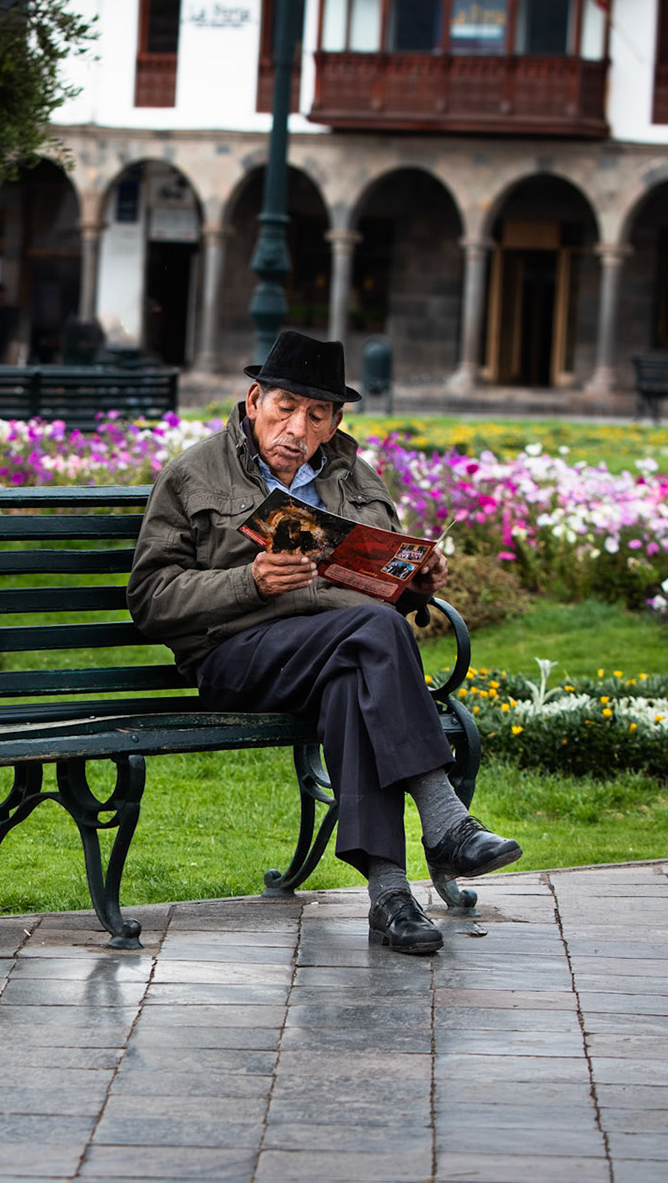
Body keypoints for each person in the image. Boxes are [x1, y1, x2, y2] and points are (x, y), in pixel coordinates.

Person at [127, 330, 521, 954]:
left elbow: (382, 582)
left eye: (316, 414)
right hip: (237, 655)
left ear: (335, 419)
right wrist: (249, 582)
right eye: (285, 406)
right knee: (374, 633)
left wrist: (415, 583)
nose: (297, 428)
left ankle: (390, 897)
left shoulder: (353, 475)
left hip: (342, 651)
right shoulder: (194, 474)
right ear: (254, 399)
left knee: (352, 678)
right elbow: (150, 602)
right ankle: (444, 818)